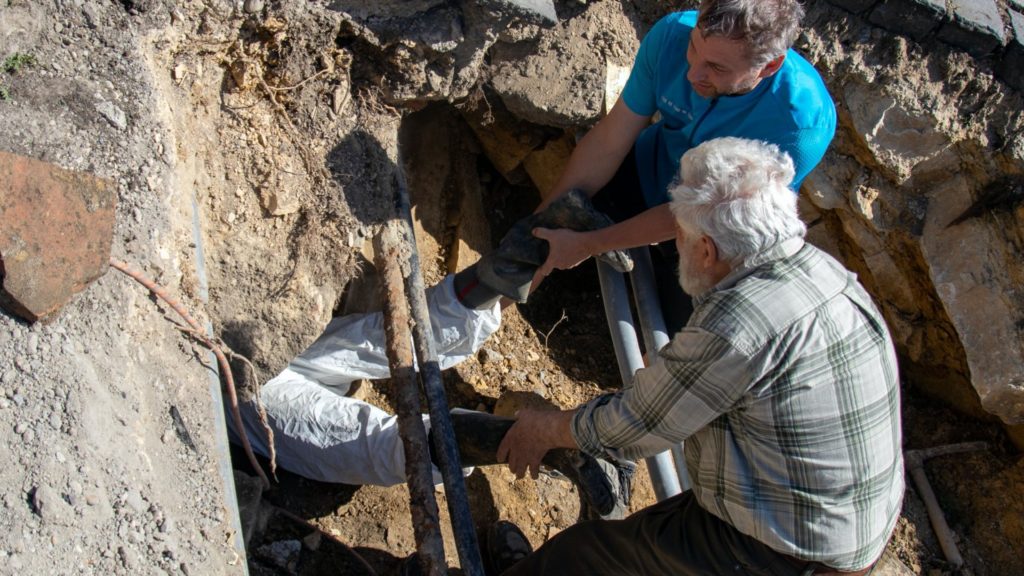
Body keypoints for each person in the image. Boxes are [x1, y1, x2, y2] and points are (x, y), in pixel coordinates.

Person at [492, 137, 904, 575]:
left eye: (680, 233)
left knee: (575, 563)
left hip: (783, 553)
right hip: (836, 527)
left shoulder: (741, 323)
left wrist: (544, 430)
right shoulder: (825, 272)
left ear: (707, 250)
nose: (675, 241)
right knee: (633, 544)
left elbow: (636, 427)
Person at [227, 189, 634, 517]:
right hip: (244, 347)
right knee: (387, 348)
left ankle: (555, 448)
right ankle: (539, 236)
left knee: (374, 427)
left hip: (230, 378)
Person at [531, 0, 837, 333]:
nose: (693, 73)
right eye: (694, 48)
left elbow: (701, 213)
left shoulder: (798, 125)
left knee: (682, 329)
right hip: (651, 171)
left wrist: (594, 243)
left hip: (712, 234)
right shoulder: (670, 37)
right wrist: (538, 224)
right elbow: (610, 140)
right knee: (555, 230)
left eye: (717, 68)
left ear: (768, 66)